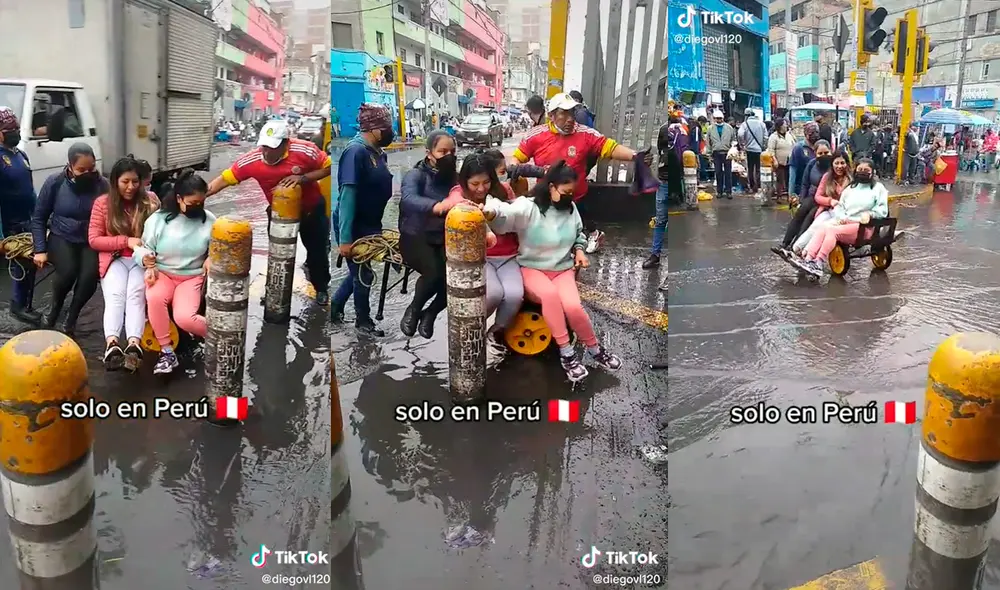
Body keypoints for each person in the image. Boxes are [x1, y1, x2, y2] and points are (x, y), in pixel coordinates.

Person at [482, 162, 622, 383]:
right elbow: (505, 213)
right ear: (551, 187)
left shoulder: (570, 208)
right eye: (565, 192)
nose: (569, 197)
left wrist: (579, 251)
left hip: (562, 269)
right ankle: (566, 353)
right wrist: (491, 211)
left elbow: (579, 234)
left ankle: (595, 349)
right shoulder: (529, 207)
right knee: (550, 296)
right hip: (532, 268)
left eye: (571, 193)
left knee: (573, 306)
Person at [205, 119, 332, 304]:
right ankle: (274, 290)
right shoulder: (252, 160)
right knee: (276, 256)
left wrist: (303, 178)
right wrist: (201, 196)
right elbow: (225, 179)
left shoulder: (305, 151)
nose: (266, 151)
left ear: (286, 143)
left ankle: (321, 288)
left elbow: (329, 167)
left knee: (317, 253)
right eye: (264, 146)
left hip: (312, 210)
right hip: (278, 214)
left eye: (272, 147)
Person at [512, 92, 652, 254]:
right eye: (564, 113)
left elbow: (609, 147)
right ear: (551, 116)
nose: (570, 118)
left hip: (575, 197)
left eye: (572, 113)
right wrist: (515, 170)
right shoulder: (535, 136)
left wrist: (635, 156)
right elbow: (517, 159)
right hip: (546, 198)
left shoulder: (586, 134)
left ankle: (584, 244)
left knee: (571, 239)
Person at [137, 169, 214, 375]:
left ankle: (223, 336)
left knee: (185, 318)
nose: (197, 207)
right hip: (163, 273)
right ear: (179, 199)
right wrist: (147, 261)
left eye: (201, 202)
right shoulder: (159, 220)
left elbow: (219, 248)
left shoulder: (209, 220)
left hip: (191, 277)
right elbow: (143, 247)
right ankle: (167, 352)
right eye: (192, 203)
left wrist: (211, 257)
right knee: (154, 297)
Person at [88, 156, 159, 371]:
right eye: (125, 182)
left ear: (141, 182)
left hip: (142, 261)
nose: (130, 187)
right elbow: (94, 239)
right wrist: (125, 241)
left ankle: (134, 344)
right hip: (115, 259)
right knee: (115, 296)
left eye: (135, 182)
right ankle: (112, 344)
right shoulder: (102, 203)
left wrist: (150, 255)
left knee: (135, 296)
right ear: (115, 181)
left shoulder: (151, 201)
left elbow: (160, 234)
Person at [331, 104, 396, 335]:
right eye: (386, 127)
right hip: (354, 224)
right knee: (362, 274)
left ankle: (336, 306)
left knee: (361, 272)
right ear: (373, 128)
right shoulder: (355, 152)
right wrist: (345, 239)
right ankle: (363, 322)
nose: (391, 131)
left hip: (371, 224)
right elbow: (348, 196)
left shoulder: (378, 152)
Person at [31, 143, 107, 334]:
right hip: (61, 235)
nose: (88, 173)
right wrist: (39, 250)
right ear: (70, 166)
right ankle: (54, 309)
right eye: (81, 170)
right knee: (68, 271)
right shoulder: (55, 182)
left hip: (91, 239)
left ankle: (71, 317)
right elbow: (39, 217)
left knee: (89, 277)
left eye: (91, 168)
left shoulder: (103, 185)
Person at [449, 153, 523, 346]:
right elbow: (454, 199)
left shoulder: (504, 191)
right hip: (481, 258)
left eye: (486, 182)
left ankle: (496, 330)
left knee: (515, 295)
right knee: (493, 293)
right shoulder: (460, 195)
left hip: (508, 257)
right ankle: (472, 329)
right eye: (475, 184)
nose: (481, 188)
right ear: (465, 181)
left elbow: (517, 217)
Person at [398, 130, 461, 339]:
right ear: (429, 153)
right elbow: (408, 198)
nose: (448, 155)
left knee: (456, 277)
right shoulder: (415, 175)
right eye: (442, 151)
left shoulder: (455, 178)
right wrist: (437, 206)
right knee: (434, 272)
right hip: (415, 236)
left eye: (452, 151)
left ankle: (430, 313)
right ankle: (414, 309)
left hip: (444, 237)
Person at [794, 158, 888, 277]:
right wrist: (841, 218)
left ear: (872, 172)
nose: (862, 172)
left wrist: (870, 214)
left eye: (866, 170)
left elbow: (882, 210)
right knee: (824, 226)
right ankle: (808, 259)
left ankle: (819, 262)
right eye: (860, 169)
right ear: (855, 171)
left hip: (865, 227)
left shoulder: (878, 188)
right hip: (846, 223)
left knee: (832, 231)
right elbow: (840, 207)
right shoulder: (850, 189)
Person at [0, 107, 42, 324]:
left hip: (28, 219)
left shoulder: (21, 155)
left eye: (16, 128)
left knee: (32, 262)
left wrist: (39, 217)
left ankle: (27, 304)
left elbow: (30, 189)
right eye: (10, 129)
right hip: (10, 223)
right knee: (21, 264)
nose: (15, 132)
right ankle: (18, 306)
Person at [772, 140, 832, 257]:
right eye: (820, 153)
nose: (823, 156)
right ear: (815, 153)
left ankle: (794, 247)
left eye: (826, 152)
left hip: (824, 202)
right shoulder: (812, 164)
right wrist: (801, 199)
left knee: (808, 220)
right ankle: (785, 244)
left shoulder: (833, 167)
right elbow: (805, 184)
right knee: (799, 215)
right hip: (811, 197)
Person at [790, 150, 851, 255]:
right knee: (815, 226)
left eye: (842, 163)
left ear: (847, 164)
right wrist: (830, 201)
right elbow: (818, 196)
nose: (839, 166)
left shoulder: (851, 179)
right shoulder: (827, 177)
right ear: (832, 164)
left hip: (844, 214)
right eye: (837, 163)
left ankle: (807, 253)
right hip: (828, 209)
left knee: (823, 228)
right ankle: (796, 249)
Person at [642, 120, 668, 270]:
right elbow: (659, 151)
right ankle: (655, 255)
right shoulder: (664, 129)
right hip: (664, 181)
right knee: (660, 221)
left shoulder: (681, 131)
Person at [481, 148, 545, 197]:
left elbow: (521, 169)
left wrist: (544, 172)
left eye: (505, 170)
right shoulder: (480, 190)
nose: (505, 174)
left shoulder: (512, 180)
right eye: (502, 172)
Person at [707, 110, 736, 199]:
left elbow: (733, 140)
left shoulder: (729, 128)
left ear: (722, 118)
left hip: (727, 153)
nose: (718, 120)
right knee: (718, 173)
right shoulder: (710, 128)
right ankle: (719, 191)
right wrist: (709, 154)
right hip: (716, 153)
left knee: (728, 173)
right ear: (714, 119)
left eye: (720, 118)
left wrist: (733, 149)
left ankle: (728, 192)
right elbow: (708, 142)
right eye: (717, 118)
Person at [737, 108, 766, 192]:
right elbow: (766, 137)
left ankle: (752, 186)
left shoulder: (745, 124)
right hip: (759, 150)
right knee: (758, 168)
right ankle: (759, 185)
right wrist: (763, 145)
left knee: (750, 168)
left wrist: (743, 144)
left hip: (749, 149)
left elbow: (740, 134)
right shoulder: (761, 124)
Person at [766, 118, 795, 200]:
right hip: (779, 162)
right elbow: (771, 150)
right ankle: (779, 196)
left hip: (789, 161)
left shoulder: (789, 135)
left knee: (789, 179)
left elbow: (794, 144)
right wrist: (774, 160)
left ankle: (789, 196)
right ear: (780, 126)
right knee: (780, 180)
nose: (786, 126)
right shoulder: (773, 137)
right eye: (785, 124)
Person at [789, 122, 820, 199]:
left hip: (817, 190)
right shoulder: (799, 148)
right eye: (811, 133)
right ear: (806, 134)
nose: (814, 135)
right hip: (801, 188)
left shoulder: (820, 147)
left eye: (816, 132)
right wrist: (791, 193)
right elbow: (793, 172)